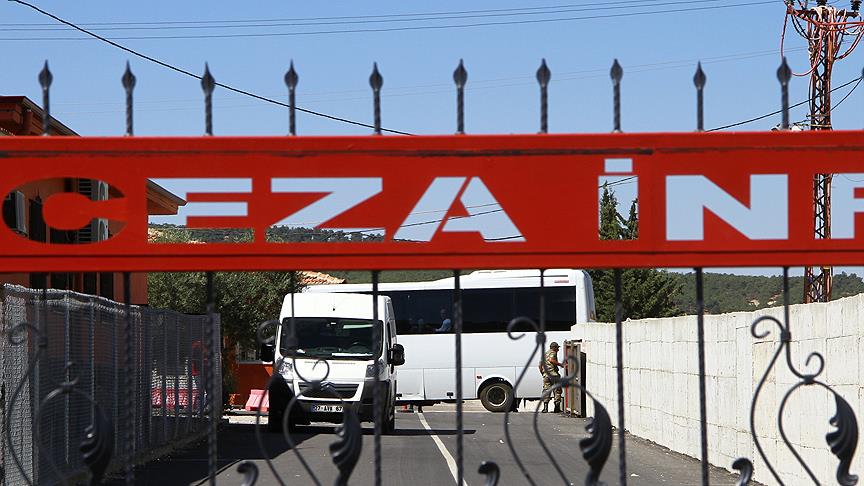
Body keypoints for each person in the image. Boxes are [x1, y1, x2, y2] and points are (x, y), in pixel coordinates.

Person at [539, 341, 564, 413]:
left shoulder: (545, 354)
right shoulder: (553, 353)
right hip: (553, 375)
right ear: (554, 348)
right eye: (557, 348)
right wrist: (560, 364)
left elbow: (540, 365)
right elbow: (551, 360)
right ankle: (557, 408)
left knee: (546, 390)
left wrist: (543, 373)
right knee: (557, 390)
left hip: (546, 375)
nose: (558, 349)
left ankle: (545, 408)